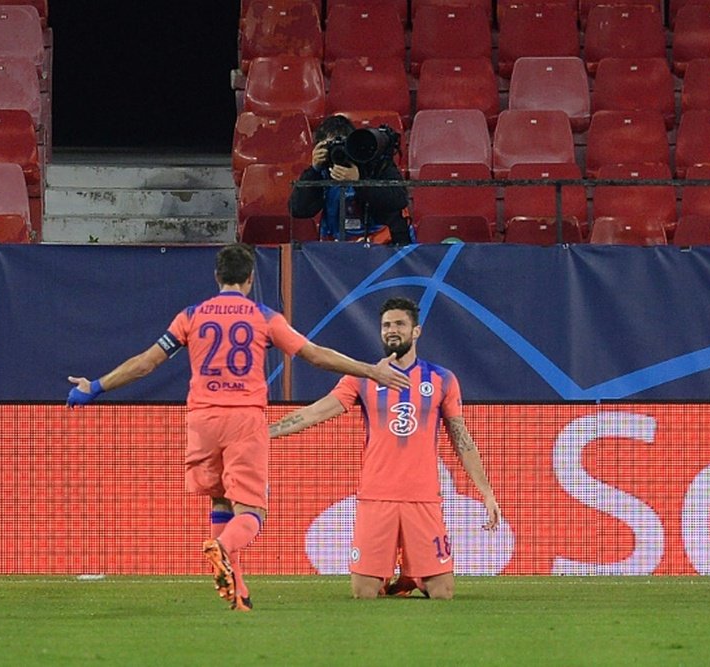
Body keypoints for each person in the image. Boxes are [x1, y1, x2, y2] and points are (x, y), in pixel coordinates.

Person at [66, 243, 410, 611]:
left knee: (220, 499)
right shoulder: (264, 316)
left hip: (201, 420)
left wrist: (96, 386)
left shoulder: (191, 316)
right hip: (244, 420)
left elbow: (146, 363)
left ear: (217, 277)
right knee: (252, 511)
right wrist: (370, 370)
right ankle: (224, 546)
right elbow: (314, 355)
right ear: (249, 278)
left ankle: (238, 591)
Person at [269, 296, 502, 599]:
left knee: (443, 593)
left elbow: (461, 438)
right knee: (363, 593)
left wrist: (486, 491)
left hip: (422, 498)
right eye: (386, 325)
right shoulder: (360, 378)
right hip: (376, 496)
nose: (392, 330)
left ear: (416, 331)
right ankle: (397, 577)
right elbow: (315, 412)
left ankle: (411, 576)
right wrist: (265, 432)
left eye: (400, 324)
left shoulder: (442, 378)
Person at [289, 114, 413, 245]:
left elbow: (398, 199)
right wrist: (313, 171)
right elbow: (298, 210)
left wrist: (358, 182)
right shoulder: (321, 171)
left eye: (343, 144)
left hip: (382, 249)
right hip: (335, 251)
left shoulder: (374, 164)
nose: (338, 151)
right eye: (331, 146)